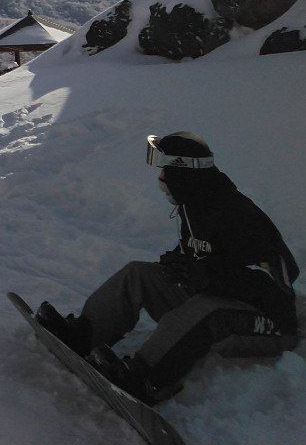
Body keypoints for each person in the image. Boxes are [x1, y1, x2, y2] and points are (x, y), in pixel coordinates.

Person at [35, 132, 299, 405]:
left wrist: (208, 276)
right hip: (213, 300)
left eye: (166, 169)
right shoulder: (193, 206)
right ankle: (83, 335)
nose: (161, 179)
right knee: (138, 273)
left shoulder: (238, 215)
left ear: (185, 172)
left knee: (207, 309)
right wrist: (179, 263)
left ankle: (146, 379)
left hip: (271, 323)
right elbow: (202, 253)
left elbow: (280, 279)